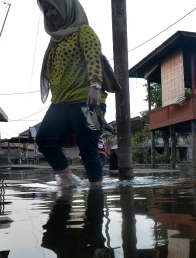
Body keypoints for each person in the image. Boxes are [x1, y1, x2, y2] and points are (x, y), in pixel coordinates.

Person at [36, 0, 111, 189]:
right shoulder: (55, 41)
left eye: (54, 8)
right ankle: (68, 179)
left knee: (88, 150)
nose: (50, 14)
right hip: (60, 102)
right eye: (47, 10)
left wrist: (95, 85)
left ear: (67, 8)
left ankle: (96, 192)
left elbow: (94, 58)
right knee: (44, 138)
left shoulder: (84, 32)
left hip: (87, 101)